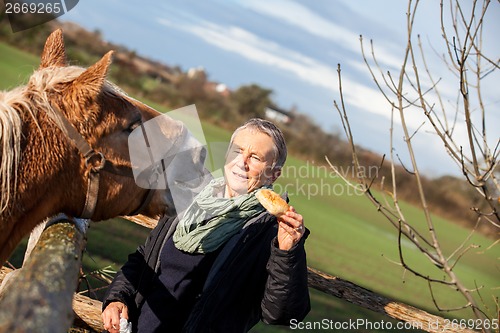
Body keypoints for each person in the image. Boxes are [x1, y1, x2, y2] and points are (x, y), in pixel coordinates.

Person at [101, 118, 310, 333]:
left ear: (274, 174)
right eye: (237, 151)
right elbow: (145, 257)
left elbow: (282, 313)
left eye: (255, 157)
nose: (241, 162)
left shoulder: (272, 233)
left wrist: (287, 254)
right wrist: (118, 298)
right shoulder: (189, 198)